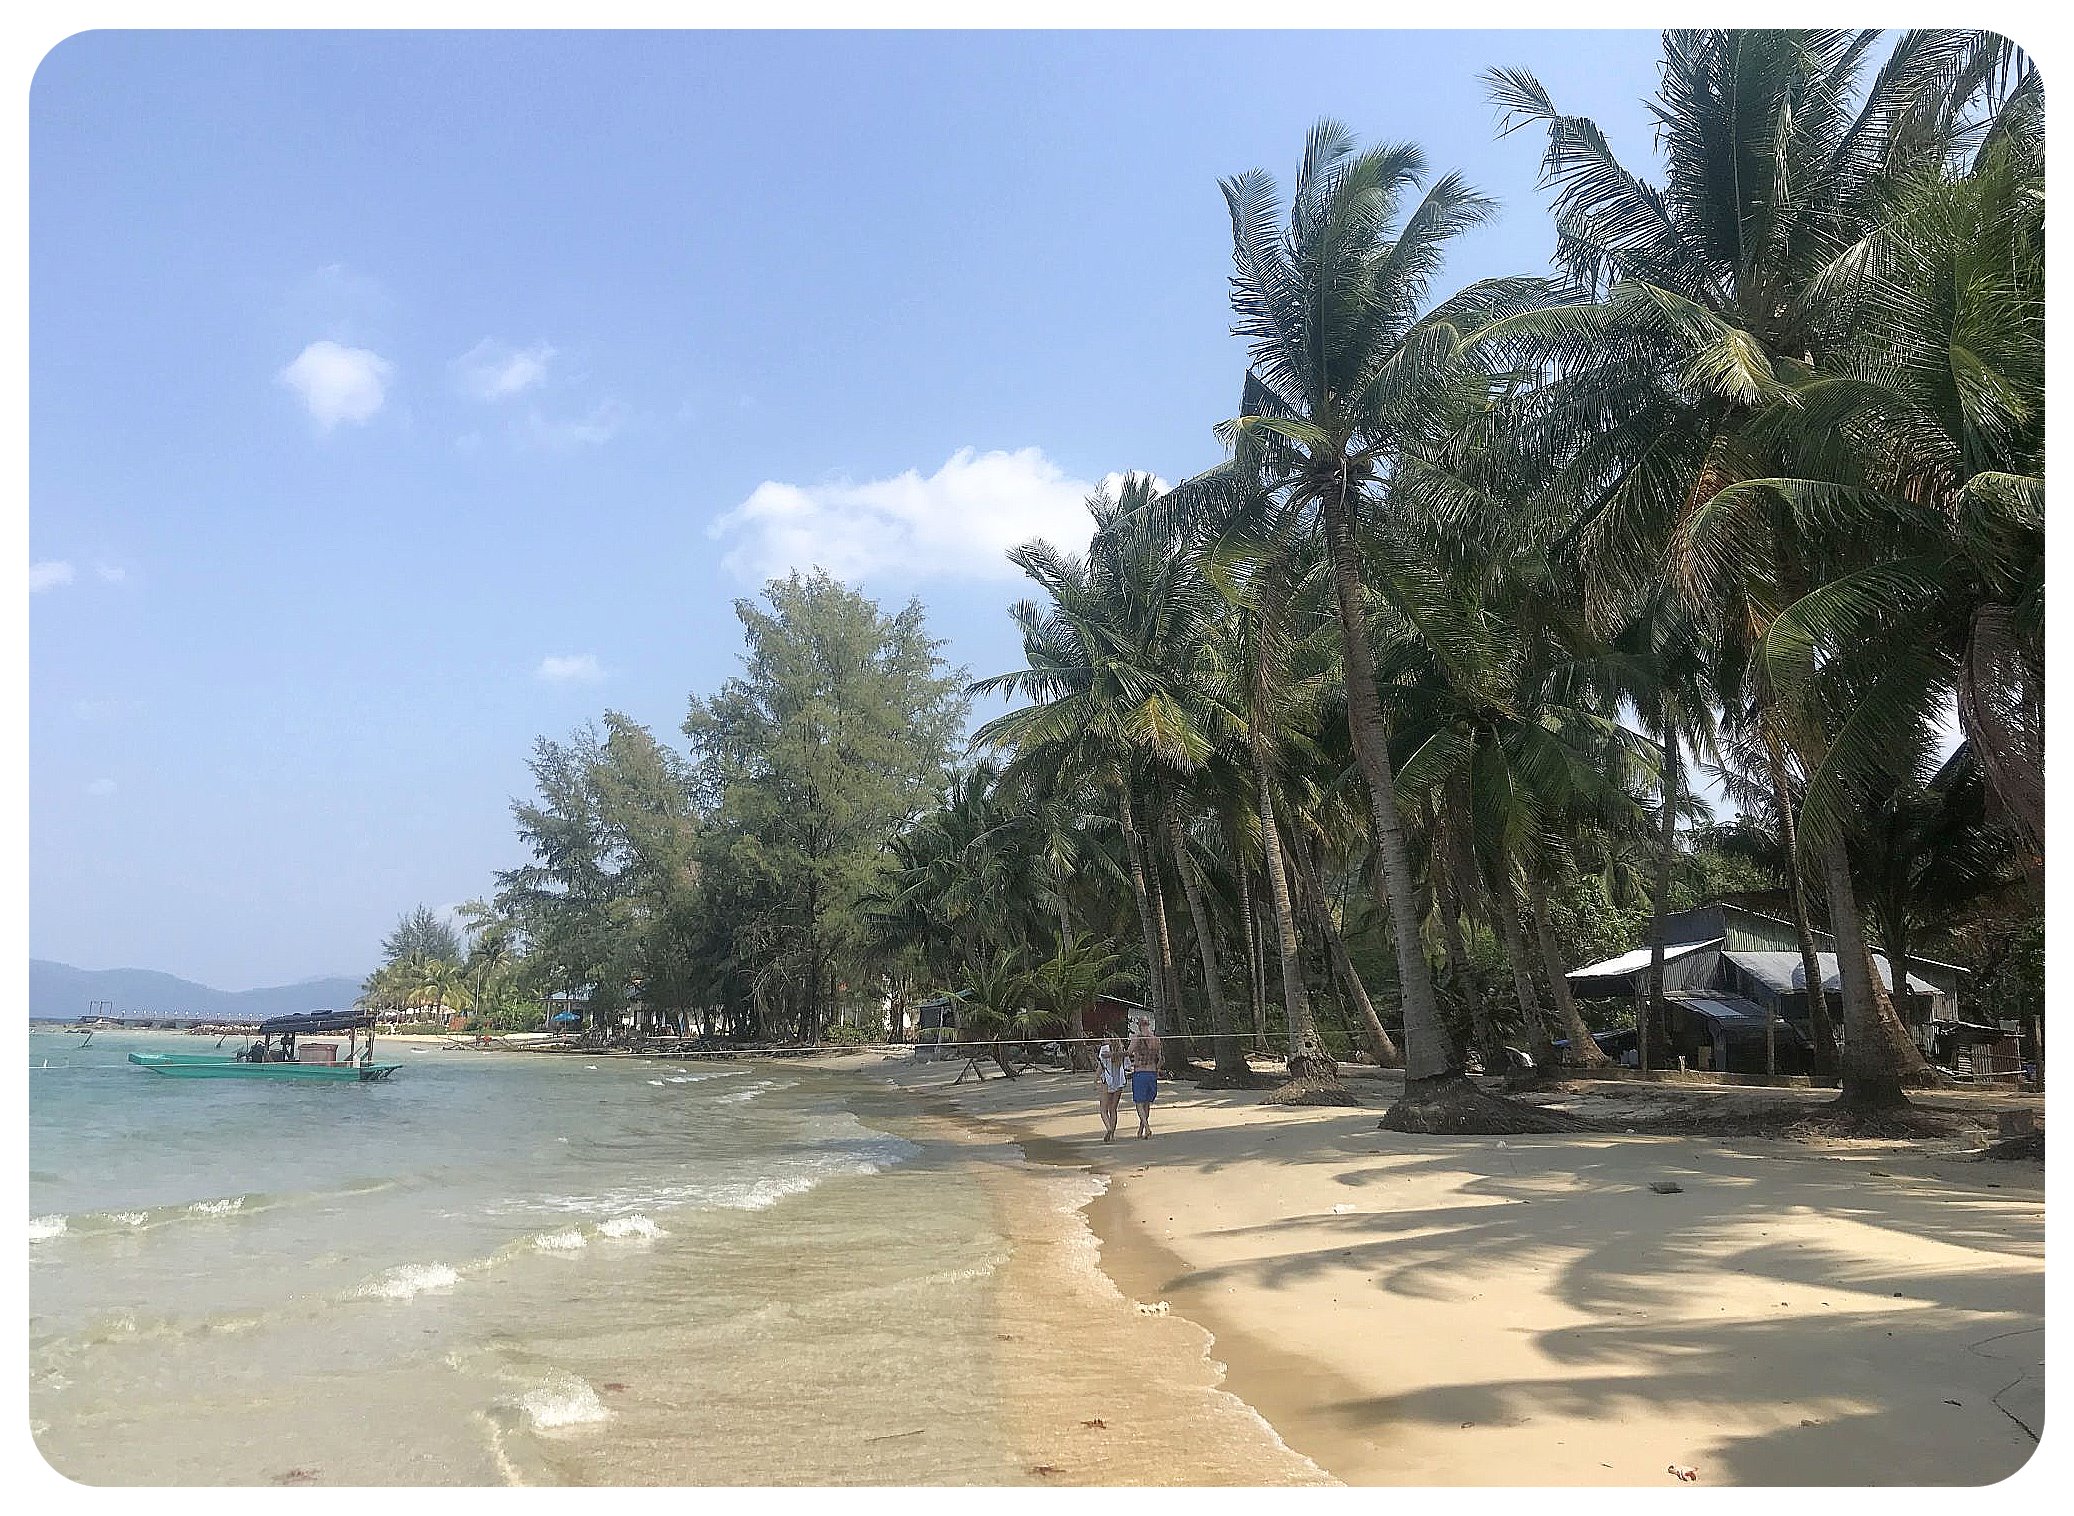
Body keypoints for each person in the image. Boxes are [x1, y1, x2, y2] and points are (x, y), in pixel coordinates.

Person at [1127, 1017, 1161, 1139]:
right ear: (1148, 1024)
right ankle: (1141, 1129)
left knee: (1139, 1103)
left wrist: (1113, 1054)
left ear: (1139, 1025)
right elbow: (1160, 1058)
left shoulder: (1137, 1038)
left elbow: (1129, 1052)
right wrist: (1157, 1070)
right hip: (1152, 1073)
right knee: (1147, 1104)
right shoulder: (1156, 1039)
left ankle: (1146, 1127)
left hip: (1140, 1072)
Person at [1094, 1035, 1129, 1142]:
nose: (1104, 1040)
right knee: (1113, 1109)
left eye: (1105, 1038)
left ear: (1109, 1040)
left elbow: (1101, 1067)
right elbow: (1127, 1066)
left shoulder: (1105, 1050)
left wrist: (1095, 1080)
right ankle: (1112, 1135)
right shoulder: (1120, 1049)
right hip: (1119, 1082)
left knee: (1103, 1110)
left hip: (1107, 1082)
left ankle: (1109, 1128)